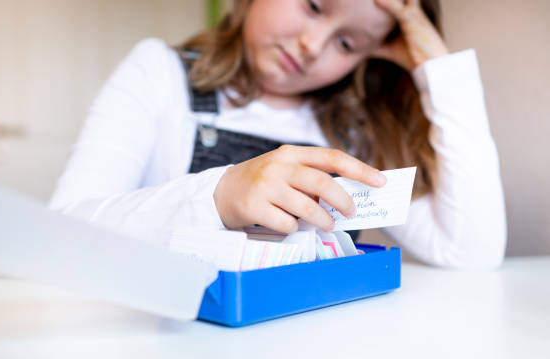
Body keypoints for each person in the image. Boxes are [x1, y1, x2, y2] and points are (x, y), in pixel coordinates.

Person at [49, 0, 506, 268]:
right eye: (312, 4)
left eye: (347, 44)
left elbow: (472, 251)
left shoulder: (355, 130)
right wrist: (219, 196)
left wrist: (440, 68)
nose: (312, 45)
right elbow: (62, 234)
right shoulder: (159, 74)